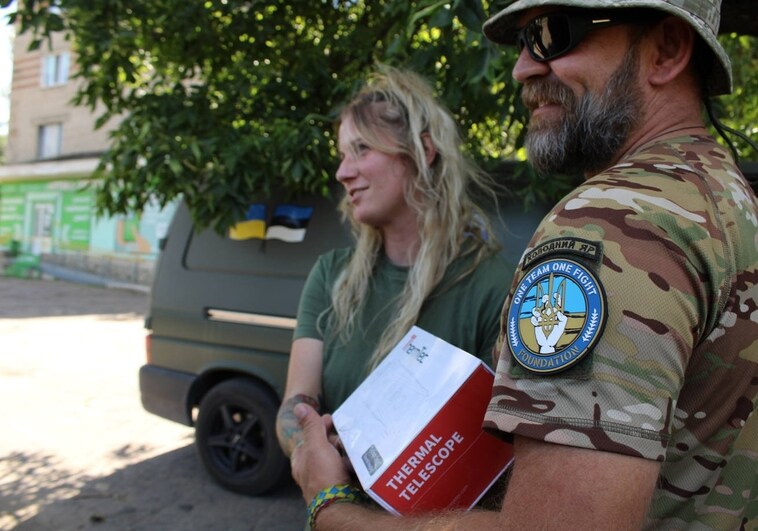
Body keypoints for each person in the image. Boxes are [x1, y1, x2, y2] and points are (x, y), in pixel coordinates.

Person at [290, 1, 758, 529]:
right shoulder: (729, 198)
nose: (523, 67)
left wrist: (329, 507)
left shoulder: (608, 227)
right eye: (522, 40)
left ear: (667, 49)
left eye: (555, 33)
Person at [275, 66, 512, 457]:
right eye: (342, 155)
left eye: (361, 149)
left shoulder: (491, 287)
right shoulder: (330, 275)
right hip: (332, 512)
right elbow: (296, 401)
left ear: (422, 151)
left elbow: (496, 451)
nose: (342, 172)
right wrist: (310, 445)